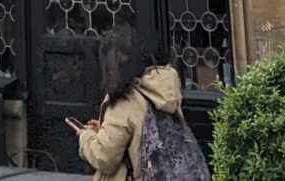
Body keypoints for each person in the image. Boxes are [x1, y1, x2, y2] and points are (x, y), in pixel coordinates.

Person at [74, 33, 196, 181]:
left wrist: (86, 137)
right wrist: (104, 130)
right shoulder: (162, 90)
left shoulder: (123, 101)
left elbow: (105, 158)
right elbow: (139, 132)